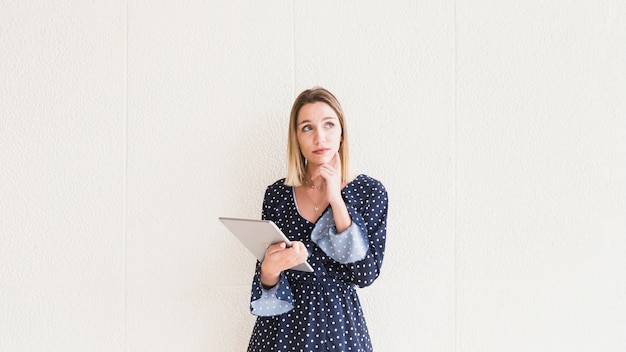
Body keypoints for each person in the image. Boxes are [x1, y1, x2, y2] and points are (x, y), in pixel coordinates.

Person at [247, 87, 389, 352]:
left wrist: (336, 199)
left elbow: (366, 274)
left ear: (342, 132)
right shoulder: (277, 194)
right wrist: (270, 270)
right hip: (280, 333)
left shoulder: (369, 192)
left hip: (339, 329)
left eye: (328, 125)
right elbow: (265, 278)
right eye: (307, 128)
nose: (320, 137)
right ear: (296, 138)